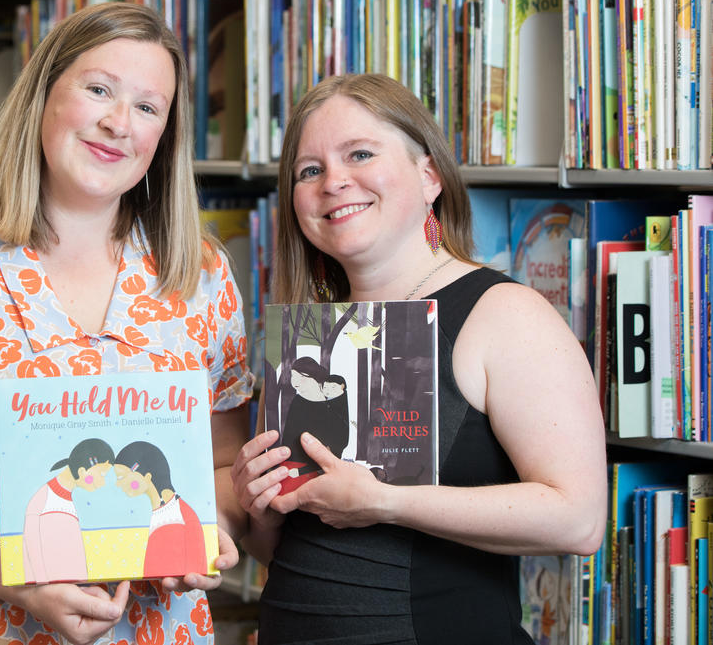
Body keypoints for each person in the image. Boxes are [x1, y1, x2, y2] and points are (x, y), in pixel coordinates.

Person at [0, 2, 253, 645]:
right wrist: (7, 576)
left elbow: (221, 467)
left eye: (148, 107)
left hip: (156, 629)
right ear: (44, 95)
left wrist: (212, 534)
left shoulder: (201, 272)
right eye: (98, 89)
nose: (117, 122)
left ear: (165, 137)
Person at [230, 73, 607, 644]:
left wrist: (385, 502)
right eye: (310, 171)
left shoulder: (505, 313)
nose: (334, 181)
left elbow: (578, 519)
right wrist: (257, 502)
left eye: (360, 153)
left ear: (429, 176)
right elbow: (280, 549)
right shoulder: (308, 335)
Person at [22, 438, 115, 584]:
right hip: (46, 589)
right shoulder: (43, 497)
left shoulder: (69, 500)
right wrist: (41, 580)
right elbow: (31, 542)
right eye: (102, 475)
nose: (102, 482)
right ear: (83, 470)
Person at [113, 441, 208, 579]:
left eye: (121, 477)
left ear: (146, 475)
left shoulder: (180, 516)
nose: (118, 483)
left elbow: (197, 567)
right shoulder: (158, 511)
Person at [275, 358, 348, 495]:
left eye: (301, 377)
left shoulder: (334, 406)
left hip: (327, 473)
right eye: (293, 377)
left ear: (315, 378)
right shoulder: (297, 402)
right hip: (292, 470)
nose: (295, 383)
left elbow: (339, 444)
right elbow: (288, 440)